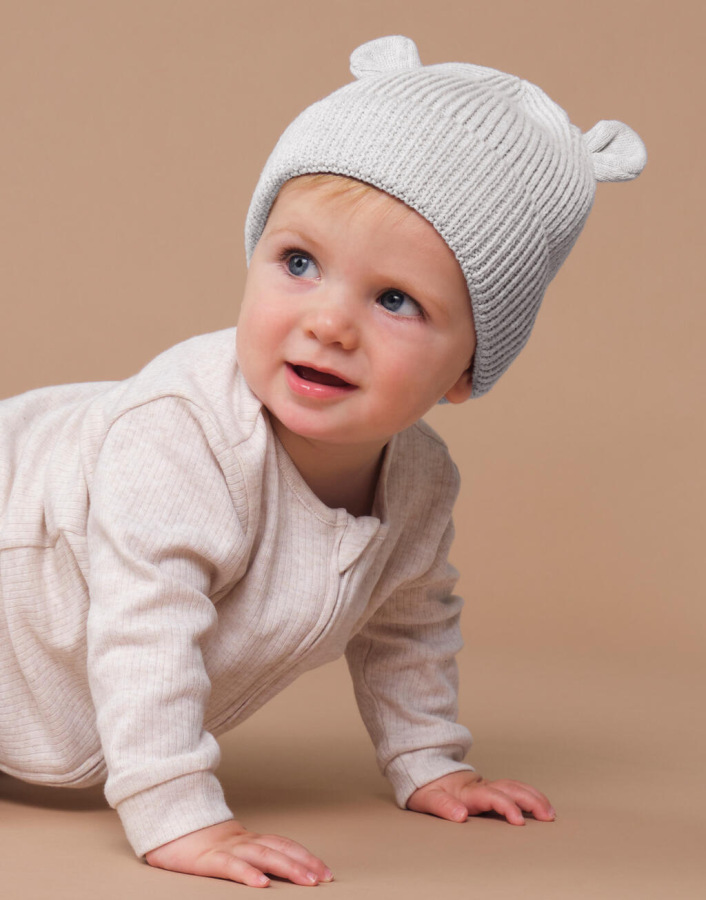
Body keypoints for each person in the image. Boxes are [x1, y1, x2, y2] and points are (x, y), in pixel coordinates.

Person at [0, 35, 646, 888]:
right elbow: (143, 632)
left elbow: (406, 619)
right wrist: (178, 812)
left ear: (466, 368)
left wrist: (429, 760)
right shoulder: (178, 436)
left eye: (396, 300)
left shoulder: (419, 481)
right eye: (298, 263)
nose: (330, 324)